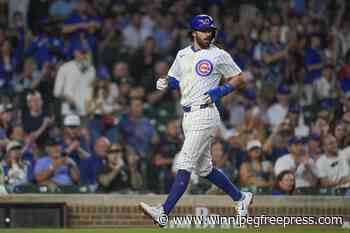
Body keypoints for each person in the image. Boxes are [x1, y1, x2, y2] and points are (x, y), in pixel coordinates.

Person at [140, 14, 253, 227]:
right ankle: (240, 198)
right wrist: (165, 82)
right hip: (188, 115)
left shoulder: (218, 54)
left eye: (210, 30)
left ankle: (164, 212)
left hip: (205, 113)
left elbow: (239, 77)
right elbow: (175, 78)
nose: (208, 34)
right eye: (203, 30)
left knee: (185, 163)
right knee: (204, 169)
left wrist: (221, 90)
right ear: (193, 33)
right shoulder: (182, 54)